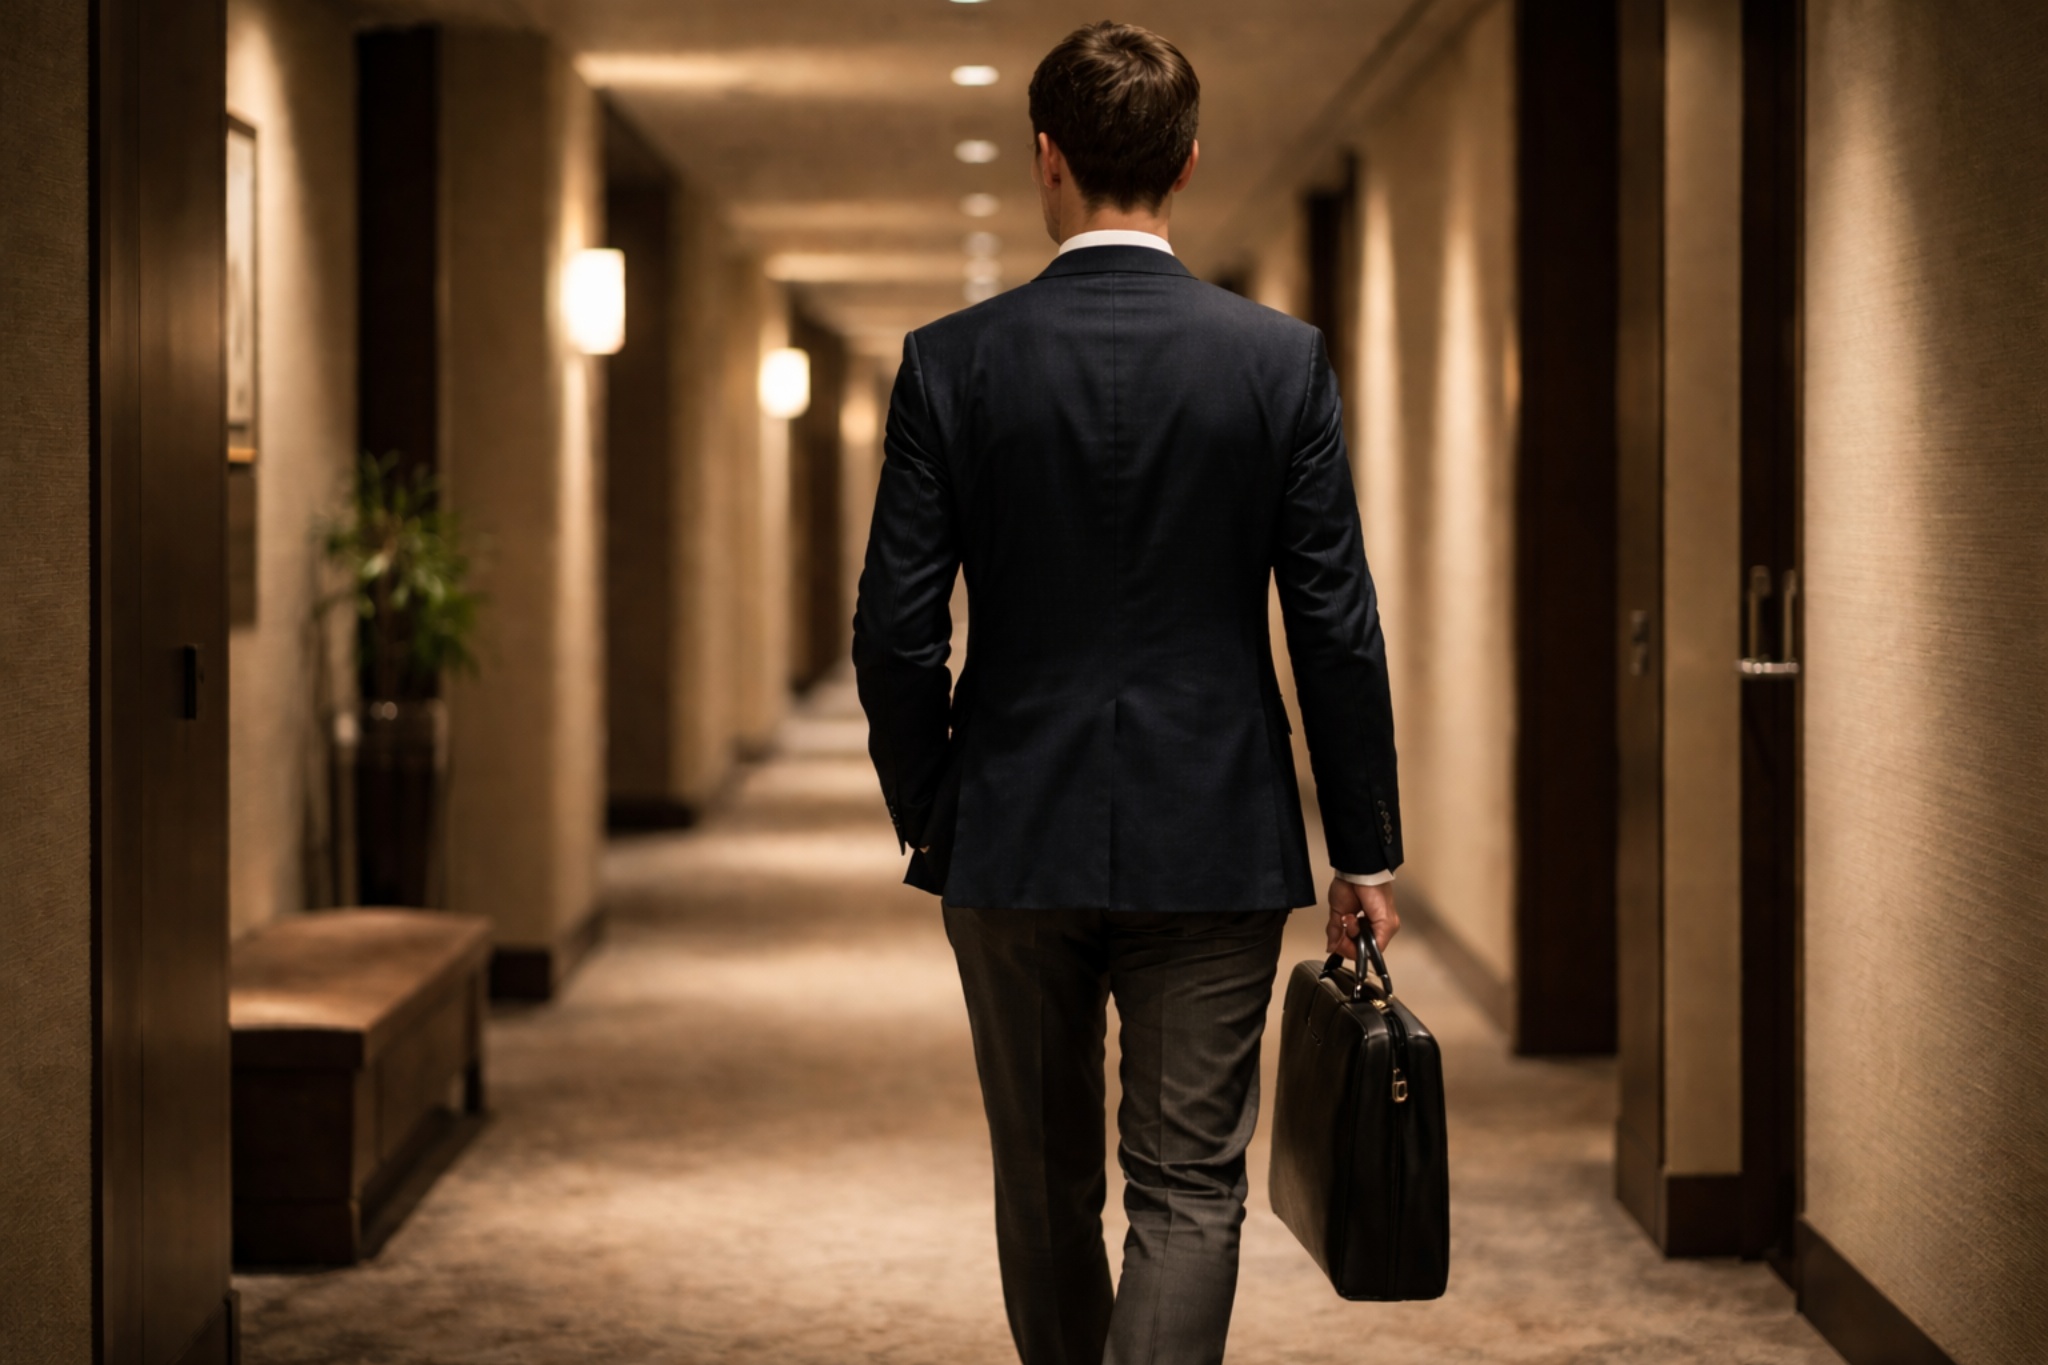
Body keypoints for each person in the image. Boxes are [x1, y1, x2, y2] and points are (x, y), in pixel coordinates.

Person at [852, 21, 1402, 1365]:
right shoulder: (1278, 362)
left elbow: (894, 633)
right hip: (1213, 835)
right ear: (1189, 163)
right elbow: (1333, 620)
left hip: (1013, 835)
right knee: (1189, 1189)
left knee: (1043, 1183)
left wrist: (943, 808)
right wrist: (1365, 845)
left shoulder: (952, 363)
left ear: (1047, 161)